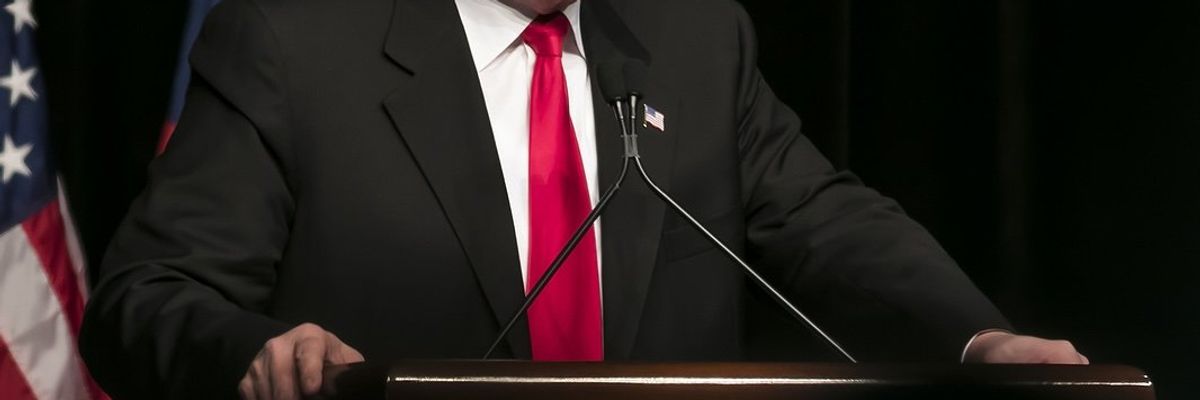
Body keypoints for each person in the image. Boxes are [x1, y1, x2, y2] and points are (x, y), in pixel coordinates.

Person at [79, 0, 1088, 399]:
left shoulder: (695, 37)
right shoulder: (293, 40)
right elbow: (143, 298)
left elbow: (826, 218)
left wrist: (979, 340)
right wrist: (256, 350)